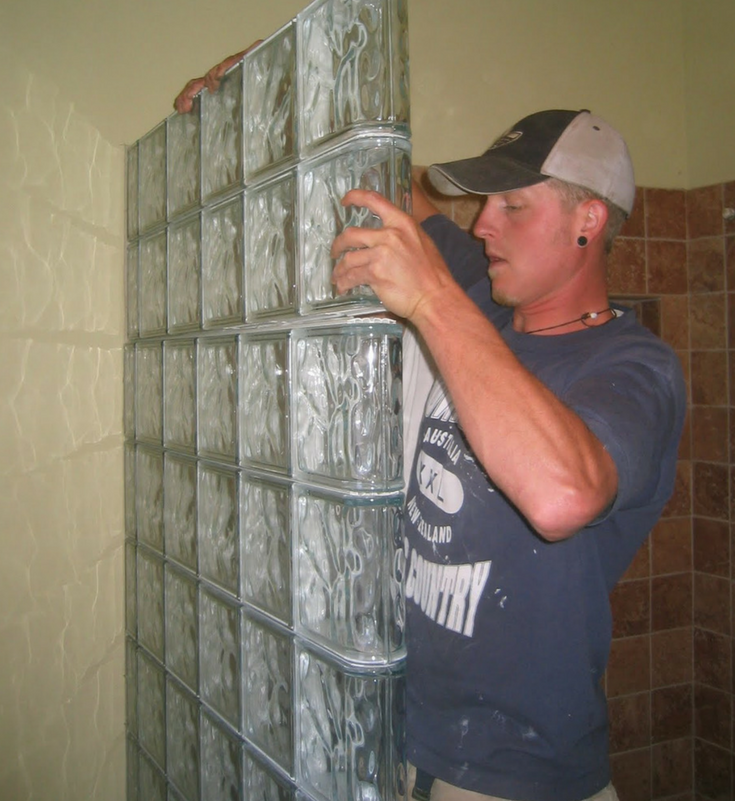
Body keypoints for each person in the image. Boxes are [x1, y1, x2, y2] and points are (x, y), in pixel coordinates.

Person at [176, 59, 686, 800]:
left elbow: (560, 495)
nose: (480, 225)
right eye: (484, 204)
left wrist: (433, 299)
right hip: (407, 738)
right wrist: (280, 73)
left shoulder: (635, 369)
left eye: (512, 205)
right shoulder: (481, 295)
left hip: (519, 774)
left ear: (589, 219)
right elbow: (392, 177)